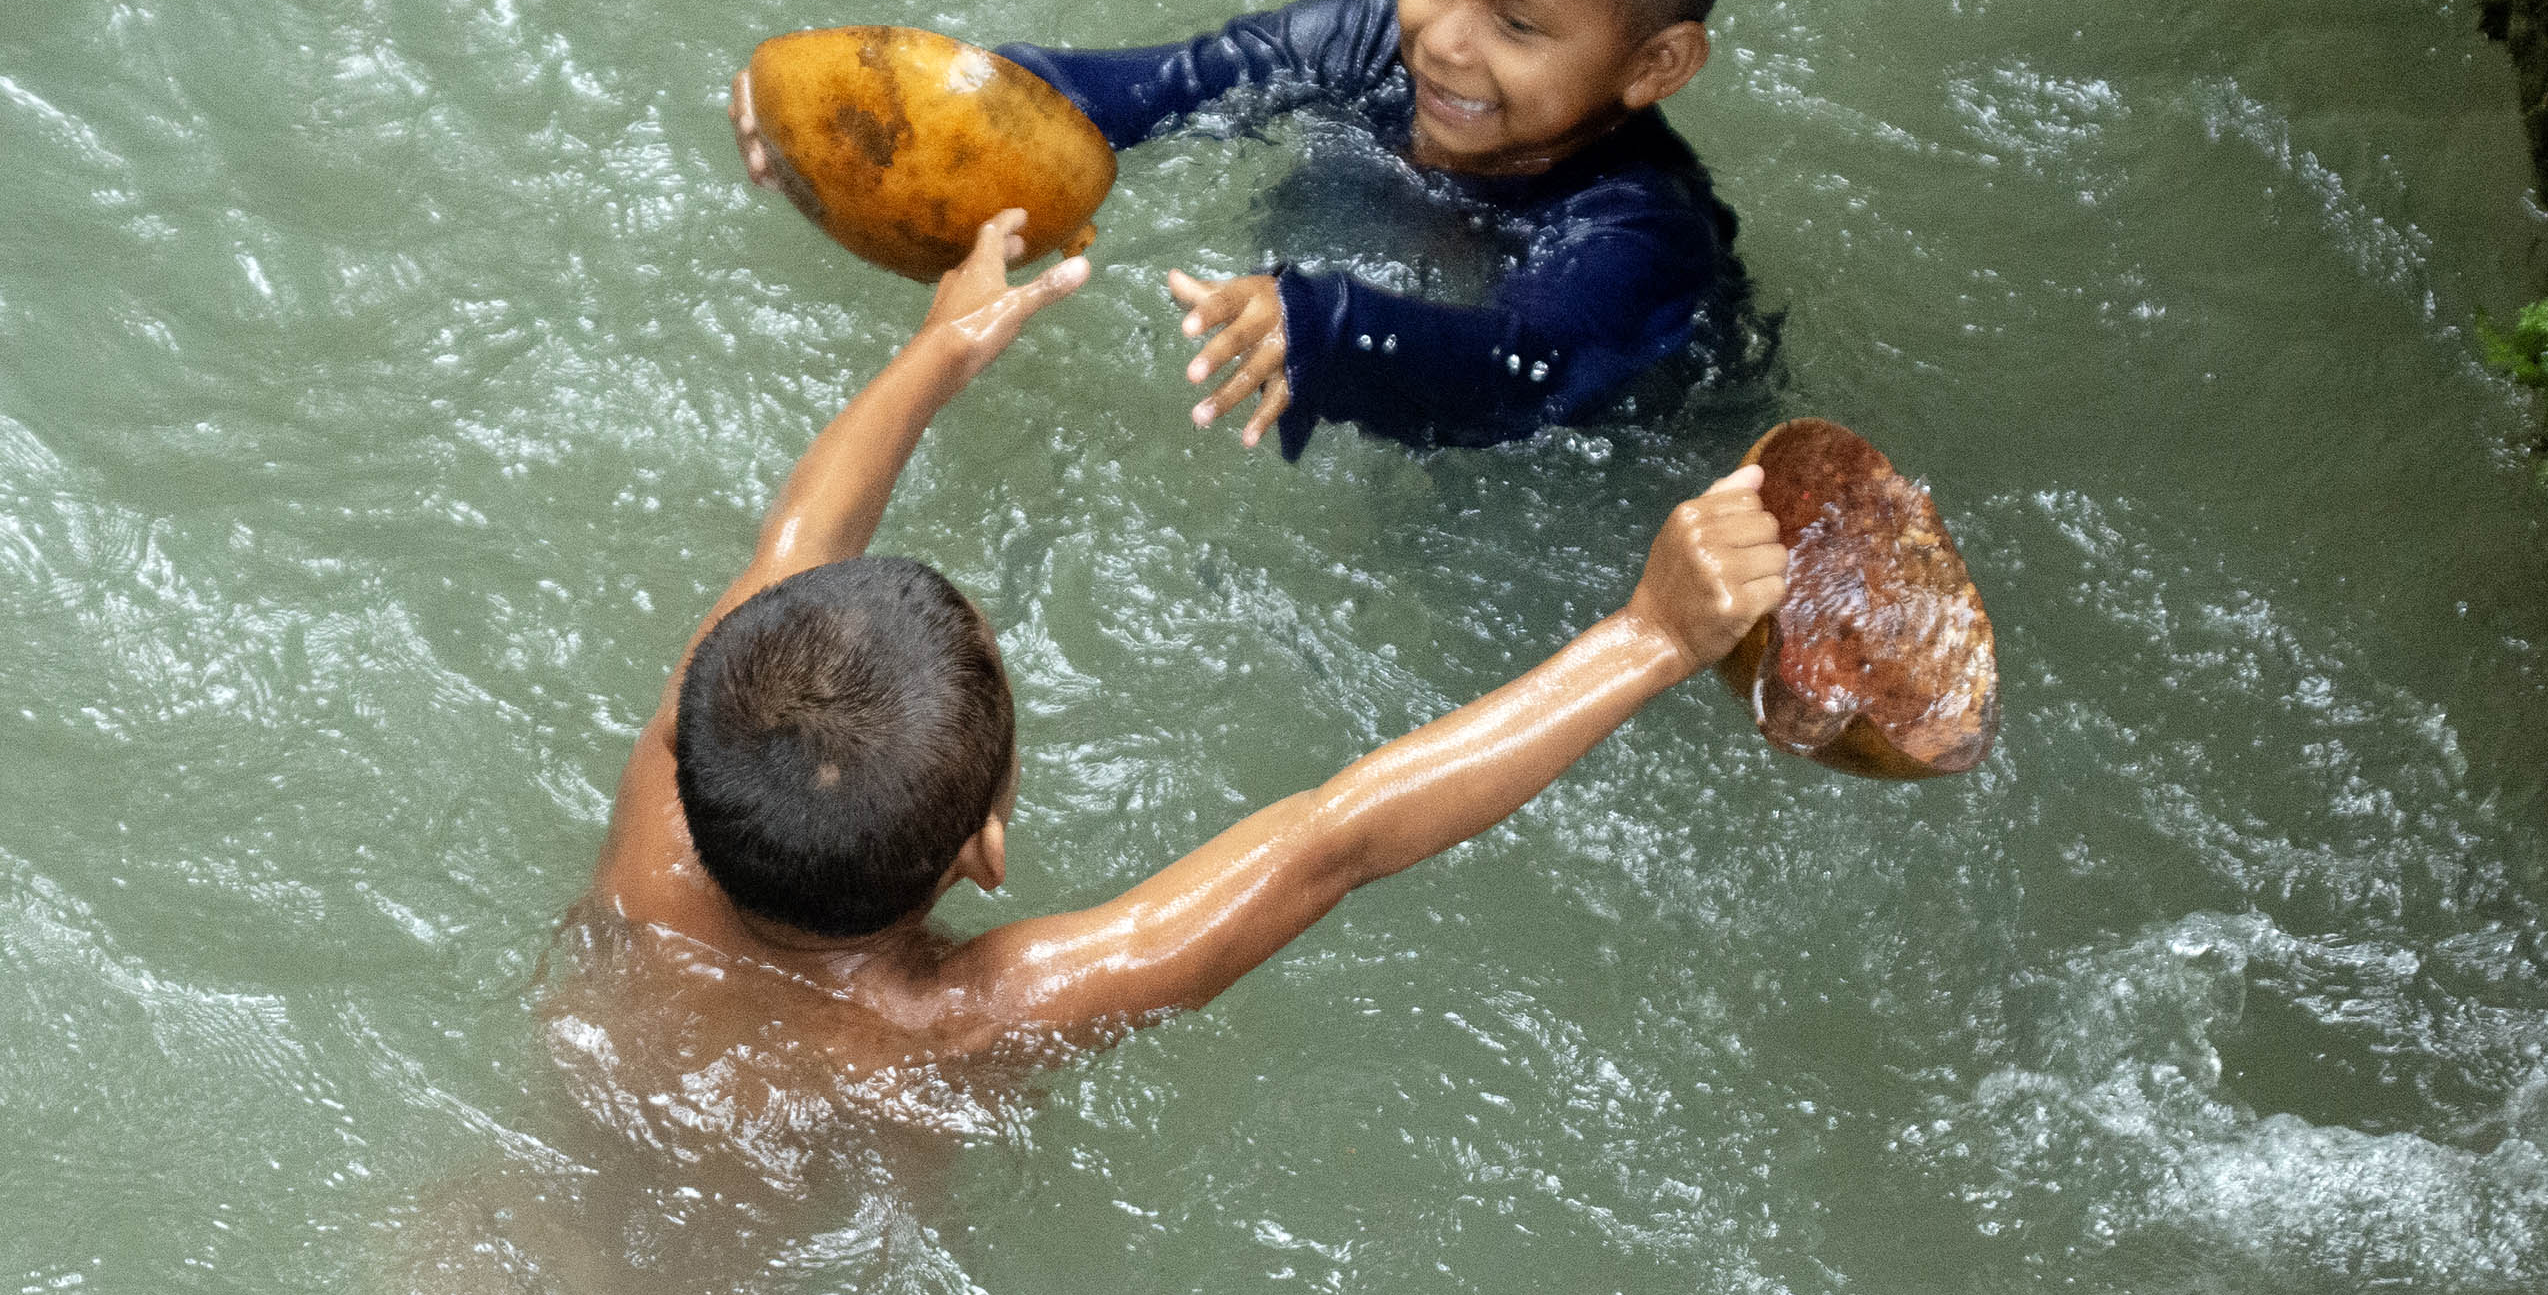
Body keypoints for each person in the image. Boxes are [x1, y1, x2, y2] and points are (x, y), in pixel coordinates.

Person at [582, 209, 1786, 1071]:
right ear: (986, 848)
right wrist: (1651, 636)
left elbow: (792, 545)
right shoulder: (963, 1017)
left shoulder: (660, 815)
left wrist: (938, 347)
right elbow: (1336, 840)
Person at [730, 0, 1746, 461]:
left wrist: (1340, 331)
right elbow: (1145, 90)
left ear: (1656, 66)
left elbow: (1527, 368)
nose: (1442, 39)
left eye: (1516, 25)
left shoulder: (1640, 232)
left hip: (1588, 458)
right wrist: (871, 106)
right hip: (1335, 305)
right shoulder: (1359, 46)